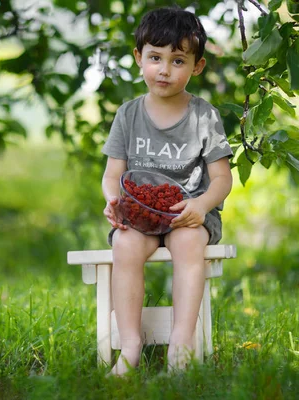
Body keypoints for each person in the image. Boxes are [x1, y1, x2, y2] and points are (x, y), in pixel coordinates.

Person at [100, 6, 233, 375]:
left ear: (197, 67)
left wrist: (201, 205)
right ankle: (130, 345)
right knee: (124, 246)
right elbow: (113, 175)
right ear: (138, 58)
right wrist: (113, 200)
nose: (164, 69)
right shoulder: (128, 114)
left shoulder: (204, 116)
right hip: (140, 216)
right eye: (155, 58)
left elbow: (222, 179)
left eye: (178, 60)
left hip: (186, 214)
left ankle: (180, 342)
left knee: (189, 244)